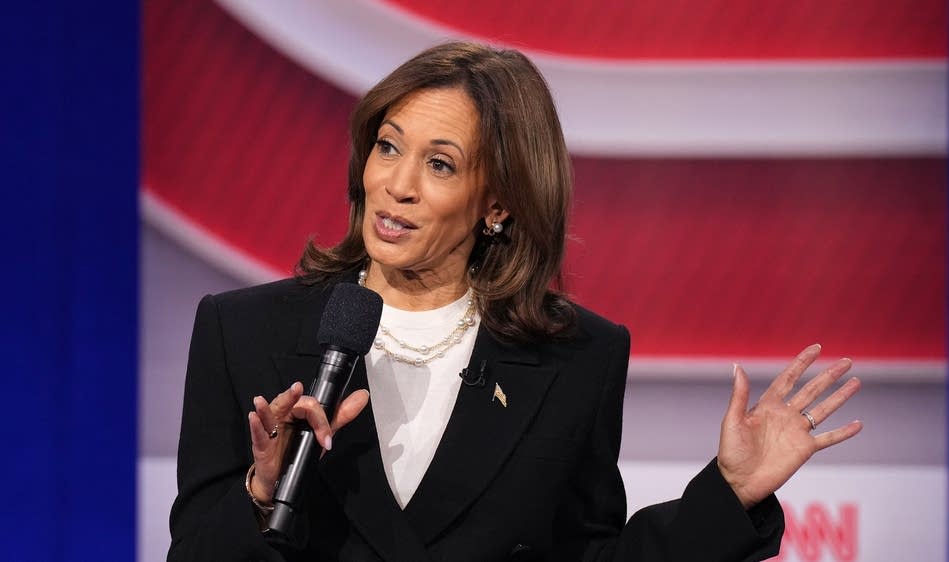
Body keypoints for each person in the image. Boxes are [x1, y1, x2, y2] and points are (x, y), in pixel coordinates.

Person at [167, 42, 862, 561]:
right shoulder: (244, 330)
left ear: (497, 203)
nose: (397, 185)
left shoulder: (576, 358)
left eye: (439, 164)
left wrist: (728, 494)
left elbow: (588, 556)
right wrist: (260, 493)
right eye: (388, 147)